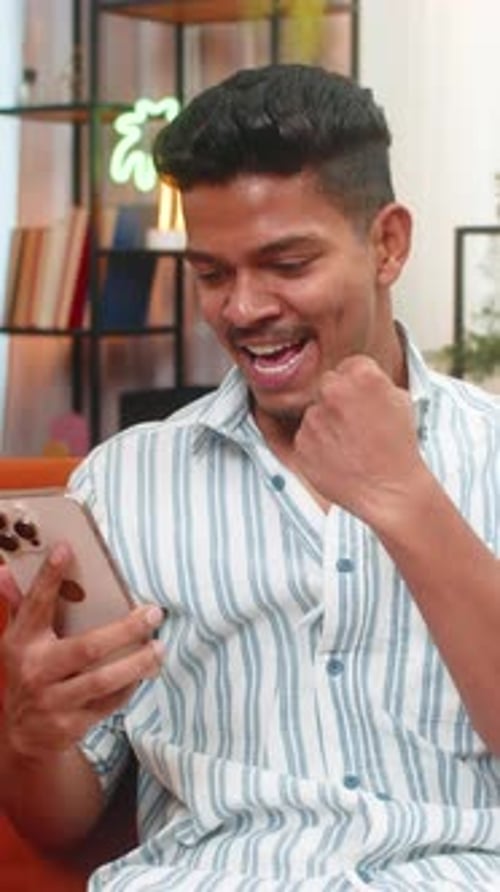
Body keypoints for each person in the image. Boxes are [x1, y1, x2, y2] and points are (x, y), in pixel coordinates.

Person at [1, 63, 500, 891]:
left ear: (388, 243)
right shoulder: (122, 485)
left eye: (287, 264)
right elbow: (55, 825)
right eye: (213, 274)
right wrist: (31, 732)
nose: (243, 308)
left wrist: (403, 498)